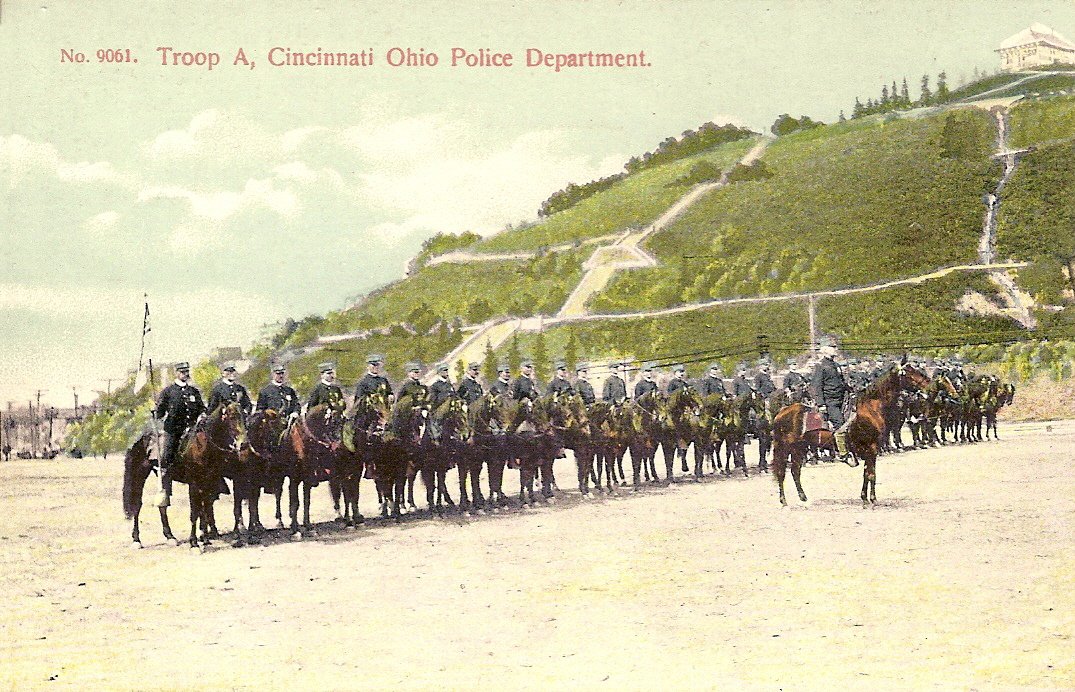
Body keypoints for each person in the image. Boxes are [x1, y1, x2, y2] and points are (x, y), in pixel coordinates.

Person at [153, 361, 206, 506]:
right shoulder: (169, 391)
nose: (185, 374)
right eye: (182, 372)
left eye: (187, 372)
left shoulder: (193, 391)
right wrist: (156, 410)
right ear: (176, 373)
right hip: (174, 430)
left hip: (192, 429)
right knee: (167, 455)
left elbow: (202, 408)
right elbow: (160, 412)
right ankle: (165, 488)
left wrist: (202, 414)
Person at [811, 337, 853, 463]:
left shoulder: (836, 365)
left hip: (842, 399)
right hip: (830, 402)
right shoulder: (821, 366)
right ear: (824, 349)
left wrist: (851, 391)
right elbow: (816, 386)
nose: (836, 349)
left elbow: (842, 382)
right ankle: (843, 453)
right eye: (832, 347)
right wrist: (821, 404)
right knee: (840, 425)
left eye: (835, 347)